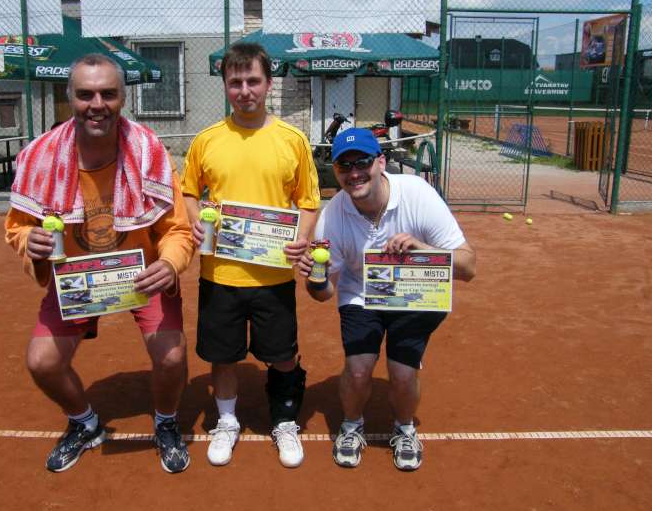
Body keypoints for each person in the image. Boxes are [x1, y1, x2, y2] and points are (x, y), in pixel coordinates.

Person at [5, 53, 194, 474]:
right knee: (42, 362)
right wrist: (28, 241)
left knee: (171, 358)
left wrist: (170, 264)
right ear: (69, 97)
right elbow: (18, 226)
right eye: (86, 94)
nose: (97, 104)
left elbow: (177, 229)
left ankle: (166, 421)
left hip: (140, 274)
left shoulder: (149, 152)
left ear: (122, 98)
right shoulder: (39, 157)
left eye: (108, 94)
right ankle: (84, 423)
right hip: (77, 280)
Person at [299, 127, 476, 471]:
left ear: (380, 162)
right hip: (361, 292)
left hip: (414, 293)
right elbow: (324, 294)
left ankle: (405, 428)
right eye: (344, 165)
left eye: (362, 162)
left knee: (402, 373)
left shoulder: (418, 194)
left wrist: (423, 250)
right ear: (335, 171)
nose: (354, 173)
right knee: (358, 369)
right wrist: (315, 278)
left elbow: (469, 267)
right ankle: (352, 425)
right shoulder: (332, 215)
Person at [180, 42, 320, 468]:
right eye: (235, 82)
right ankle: (227, 422)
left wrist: (301, 240)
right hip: (220, 273)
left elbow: (309, 202)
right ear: (225, 86)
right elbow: (188, 191)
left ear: (268, 84)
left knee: (282, 355)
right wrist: (195, 222)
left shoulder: (292, 140)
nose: (245, 91)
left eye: (253, 81)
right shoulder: (206, 140)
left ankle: (284, 420)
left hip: (274, 275)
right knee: (223, 356)